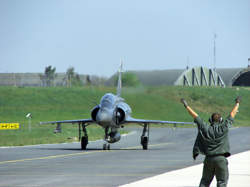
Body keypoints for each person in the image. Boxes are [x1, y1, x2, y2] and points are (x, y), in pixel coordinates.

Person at [180, 96, 241, 187]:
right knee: (222, 182)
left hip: (208, 159)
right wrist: (237, 103)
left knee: (205, 182)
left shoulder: (205, 127)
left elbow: (196, 116)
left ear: (210, 120)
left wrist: (186, 106)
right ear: (221, 120)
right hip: (221, 160)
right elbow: (232, 114)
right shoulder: (224, 127)